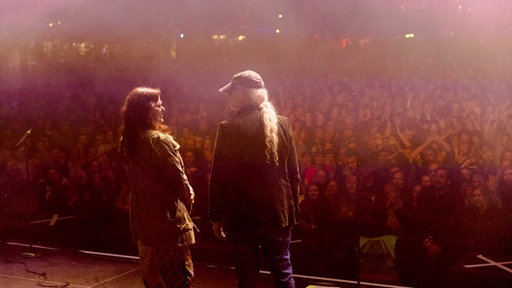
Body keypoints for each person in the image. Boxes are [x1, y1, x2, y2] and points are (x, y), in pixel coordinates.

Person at [209, 70, 300, 288]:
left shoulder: (228, 128)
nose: (228, 97)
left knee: (247, 276)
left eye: (231, 93)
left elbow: (219, 176)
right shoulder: (282, 123)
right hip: (277, 213)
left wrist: (216, 215)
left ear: (242, 94)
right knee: (282, 271)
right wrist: (292, 210)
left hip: (241, 215)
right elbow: (293, 173)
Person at [120, 87, 195, 288]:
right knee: (178, 277)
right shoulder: (158, 141)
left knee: (152, 274)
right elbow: (179, 180)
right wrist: (189, 197)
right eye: (159, 105)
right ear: (147, 110)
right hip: (166, 219)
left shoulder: (128, 141)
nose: (163, 108)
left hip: (143, 217)